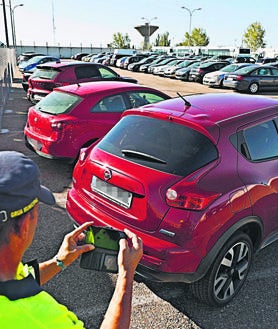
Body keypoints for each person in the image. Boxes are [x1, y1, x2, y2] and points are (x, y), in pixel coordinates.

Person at [0, 150, 143, 329]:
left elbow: (23, 279)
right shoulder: (38, 318)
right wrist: (126, 275)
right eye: (37, 211)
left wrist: (60, 261)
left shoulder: (6, 272)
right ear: (23, 226)